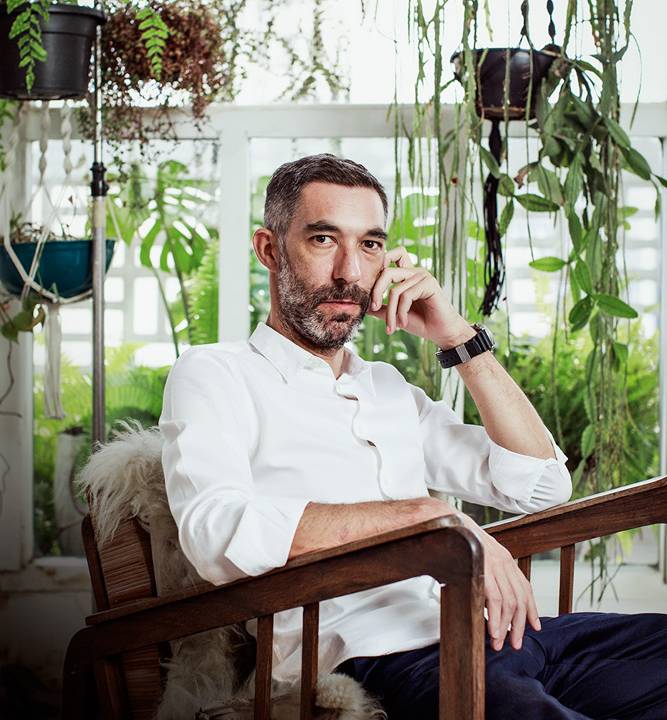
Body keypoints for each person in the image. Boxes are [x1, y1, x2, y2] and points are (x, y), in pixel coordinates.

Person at [159, 154, 667, 719]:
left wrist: (459, 339)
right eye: (324, 239)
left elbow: (542, 485)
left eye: (371, 244)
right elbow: (215, 532)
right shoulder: (216, 373)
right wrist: (428, 518)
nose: (350, 271)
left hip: (507, 634)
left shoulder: (385, 388)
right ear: (270, 250)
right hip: (382, 660)